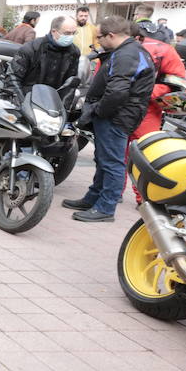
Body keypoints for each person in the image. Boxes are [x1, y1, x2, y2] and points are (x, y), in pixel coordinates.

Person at [61, 16, 155, 223]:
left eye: (100, 37)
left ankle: (105, 207)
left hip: (116, 116)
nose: (98, 42)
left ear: (111, 36)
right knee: (104, 159)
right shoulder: (126, 52)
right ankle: (93, 198)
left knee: (112, 162)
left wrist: (98, 112)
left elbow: (117, 92)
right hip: (117, 114)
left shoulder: (127, 55)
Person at [131, 19, 186, 140]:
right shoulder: (165, 49)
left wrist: (146, 91)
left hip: (146, 106)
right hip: (134, 104)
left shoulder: (164, 50)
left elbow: (176, 82)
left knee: (142, 144)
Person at [12, 16, 79, 91]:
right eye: (67, 33)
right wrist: (21, 100)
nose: (71, 36)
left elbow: (70, 84)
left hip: (54, 99)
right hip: (28, 97)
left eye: (74, 33)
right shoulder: (32, 49)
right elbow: (13, 78)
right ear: (54, 31)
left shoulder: (74, 52)